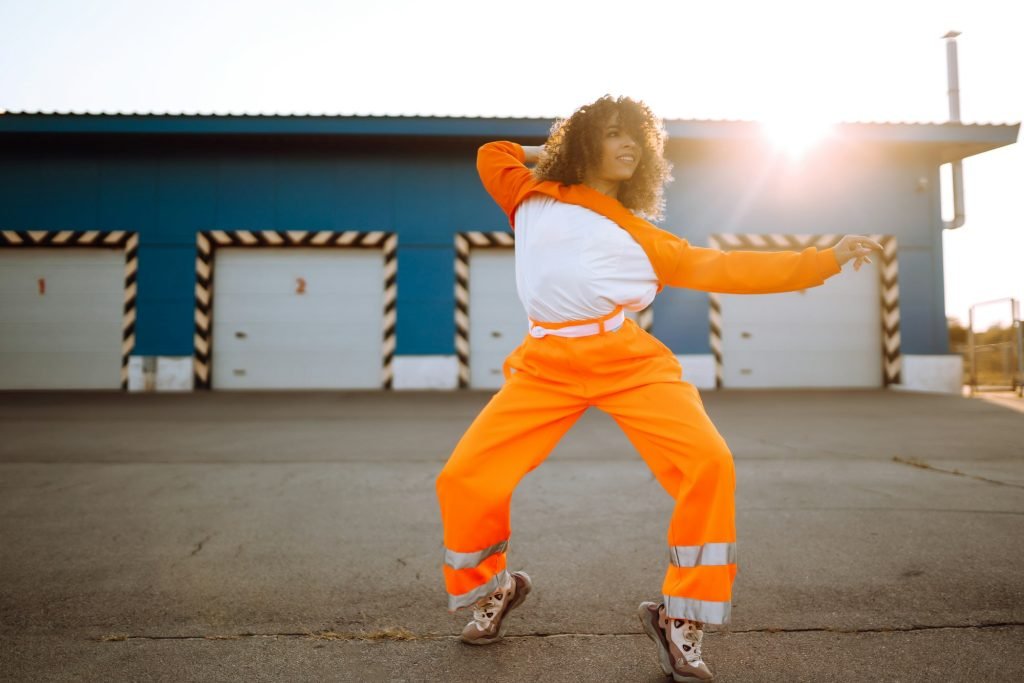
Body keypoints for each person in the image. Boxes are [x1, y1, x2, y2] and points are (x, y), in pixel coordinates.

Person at [435, 94, 881, 681]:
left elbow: (727, 269)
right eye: (613, 134)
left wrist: (823, 259)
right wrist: (553, 153)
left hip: (627, 360)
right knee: (464, 478)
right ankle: (496, 590)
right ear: (584, 140)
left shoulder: (640, 236)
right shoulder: (530, 195)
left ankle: (681, 618)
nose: (628, 145)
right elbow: (491, 152)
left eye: (636, 139)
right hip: (544, 365)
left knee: (710, 463)